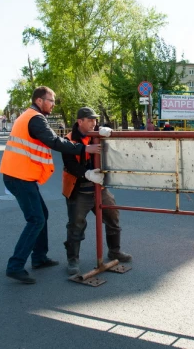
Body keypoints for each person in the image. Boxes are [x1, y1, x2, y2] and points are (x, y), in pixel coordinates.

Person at [0, 86, 101, 284]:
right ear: (39, 100)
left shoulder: (30, 116)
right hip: (19, 176)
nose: (53, 104)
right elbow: (54, 141)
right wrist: (84, 148)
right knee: (36, 219)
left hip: (21, 175)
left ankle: (39, 258)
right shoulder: (35, 118)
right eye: (51, 100)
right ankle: (15, 266)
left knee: (41, 215)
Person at [61, 107, 131, 276]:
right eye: (90, 120)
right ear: (80, 122)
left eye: (95, 120)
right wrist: (86, 173)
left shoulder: (99, 135)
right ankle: (73, 260)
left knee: (113, 216)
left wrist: (110, 135)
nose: (94, 123)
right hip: (79, 189)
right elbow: (70, 165)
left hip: (99, 187)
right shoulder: (69, 140)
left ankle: (114, 251)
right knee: (76, 225)